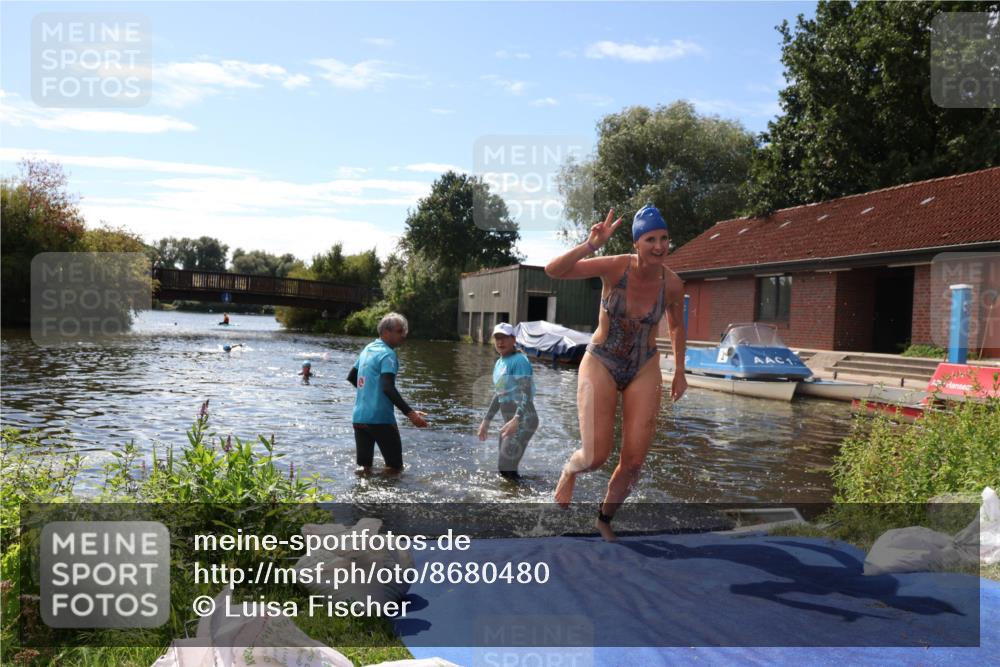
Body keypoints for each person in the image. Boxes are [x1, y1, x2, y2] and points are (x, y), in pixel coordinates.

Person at [545, 205, 687, 541]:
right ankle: (571, 468)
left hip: (644, 365)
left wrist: (680, 371)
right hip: (602, 361)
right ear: (637, 242)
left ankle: (604, 518)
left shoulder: (673, 284)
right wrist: (590, 245)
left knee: (634, 461)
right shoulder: (616, 266)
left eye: (664, 238)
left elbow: (678, 326)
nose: (659, 246)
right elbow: (554, 271)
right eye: (651, 239)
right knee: (595, 456)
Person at [347, 312, 429, 474]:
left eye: (404, 331)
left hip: (359, 418)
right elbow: (387, 388)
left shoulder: (367, 349)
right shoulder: (388, 354)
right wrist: (411, 414)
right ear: (386, 332)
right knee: (395, 468)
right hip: (380, 419)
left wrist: (370, 395)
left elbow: (352, 377)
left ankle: (362, 497)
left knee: (364, 469)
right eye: (399, 331)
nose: (404, 335)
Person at [478, 322, 538, 479]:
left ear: (513, 339)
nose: (500, 342)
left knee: (505, 467)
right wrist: (486, 420)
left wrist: (517, 418)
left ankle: (526, 499)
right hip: (510, 421)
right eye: (497, 338)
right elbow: (500, 395)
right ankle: (516, 497)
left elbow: (526, 393)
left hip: (524, 419)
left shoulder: (519, 361)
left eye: (504, 338)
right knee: (505, 469)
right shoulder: (499, 363)